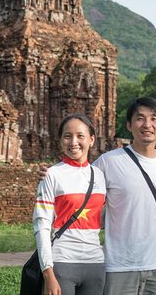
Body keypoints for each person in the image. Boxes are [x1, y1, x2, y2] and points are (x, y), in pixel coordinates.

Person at [93, 97, 156, 295]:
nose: (147, 125)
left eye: (154, 119)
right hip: (120, 265)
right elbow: (82, 188)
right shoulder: (109, 162)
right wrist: (54, 175)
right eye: (140, 118)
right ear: (129, 125)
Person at [34, 113, 107, 295]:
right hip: (62, 262)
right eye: (67, 136)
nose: (73, 142)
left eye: (80, 136)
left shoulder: (99, 175)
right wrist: (48, 273)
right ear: (60, 141)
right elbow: (41, 225)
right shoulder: (51, 175)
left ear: (91, 140)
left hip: (95, 264)